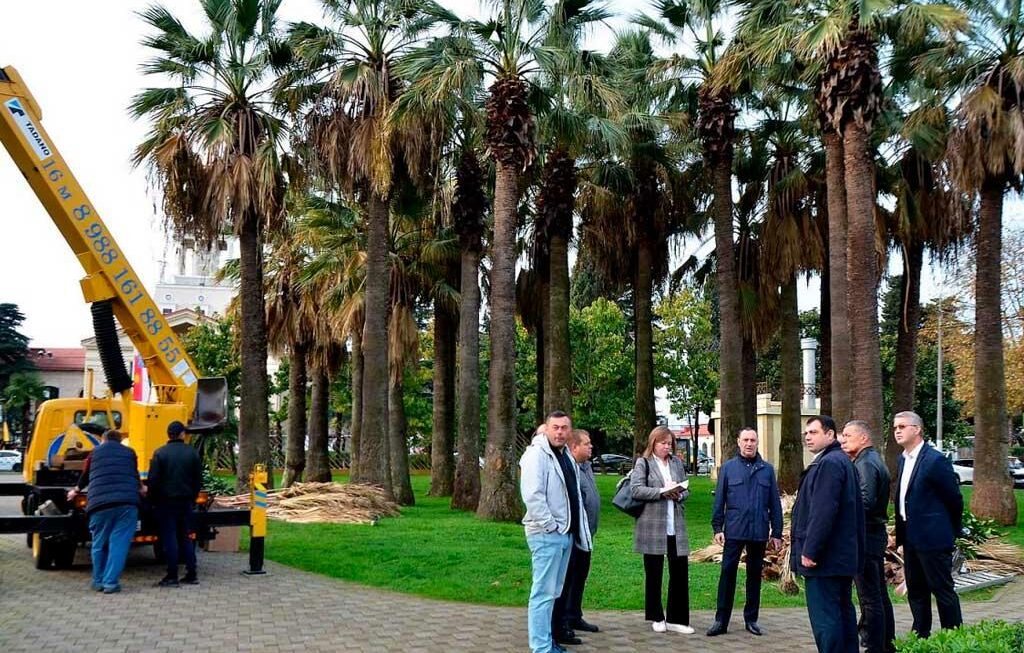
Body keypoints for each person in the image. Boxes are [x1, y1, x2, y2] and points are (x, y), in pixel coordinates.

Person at [790, 415, 864, 653]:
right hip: (838, 558)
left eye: (814, 432)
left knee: (827, 619)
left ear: (830, 434)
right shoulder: (839, 460)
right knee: (842, 613)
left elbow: (823, 510)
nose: (808, 437)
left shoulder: (829, 463)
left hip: (825, 560)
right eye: (806, 433)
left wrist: (810, 550)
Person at [520, 411, 592, 653]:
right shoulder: (536, 455)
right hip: (546, 534)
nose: (560, 432)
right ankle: (541, 647)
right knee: (542, 593)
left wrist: (570, 531)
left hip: (565, 535)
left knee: (554, 593)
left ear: (569, 431)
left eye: (564, 428)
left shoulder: (565, 456)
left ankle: (548, 641)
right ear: (547, 428)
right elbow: (533, 495)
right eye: (555, 427)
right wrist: (551, 525)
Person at [707, 427, 783, 637]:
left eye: (753, 440)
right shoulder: (728, 468)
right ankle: (721, 621)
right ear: (738, 442)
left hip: (758, 530)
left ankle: (751, 619)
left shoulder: (767, 470)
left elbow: (774, 503)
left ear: (757, 443)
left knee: (754, 576)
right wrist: (717, 527)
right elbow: (719, 500)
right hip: (734, 529)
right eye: (746, 440)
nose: (749, 444)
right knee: (727, 574)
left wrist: (777, 532)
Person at [893, 411, 963, 638]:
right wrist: (901, 538)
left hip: (933, 538)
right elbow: (903, 499)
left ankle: (953, 636)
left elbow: (954, 499)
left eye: (902, 426)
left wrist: (949, 531)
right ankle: (921, 635)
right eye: (895, 427)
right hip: (910, 537)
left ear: (917, 429)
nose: (897, 431)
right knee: (916, 590)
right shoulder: (903, 459)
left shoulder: (934, 460)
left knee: (942, 589)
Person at [630, 425, 694, 635]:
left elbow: (687, 489)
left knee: (680, 571)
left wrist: (679, 494)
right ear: (653, 443)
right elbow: (636, 490)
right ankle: (656, 616)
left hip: (675, 524)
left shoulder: (676, 463)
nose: (667, 447)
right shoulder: (644, 463)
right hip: (652, 525)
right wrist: (661, 492)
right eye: (663, 443)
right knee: (654, 572)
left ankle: (677, 619)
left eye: (669, 443)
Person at [838, 420, 896, 653]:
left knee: (870, 597)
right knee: (878, 594)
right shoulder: (870, 460)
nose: (843, 440)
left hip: (867, 536)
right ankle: (886, 642)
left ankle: (876, 645)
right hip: (873, 534)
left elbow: (865, 501)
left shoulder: (865, 463)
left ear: (864, 438)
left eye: (848, 435)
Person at [66, 429, 144, 594]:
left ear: (103, 439)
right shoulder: (129, 453)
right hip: (126, 504)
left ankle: (98, 581)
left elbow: (86, 475)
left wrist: (75, 490)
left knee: (99, 544)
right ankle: (110, 583)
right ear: (120, 441)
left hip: (99, 505)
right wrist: (142, 488)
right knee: (118, 544)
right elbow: (134, 474)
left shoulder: (95, 452)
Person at [552, 429, 600, 644]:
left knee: (580, 575)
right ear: (574, 447)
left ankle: (574, 614)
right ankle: (562, 622)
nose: (591, 447)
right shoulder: (570, 468)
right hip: (574, 533)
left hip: (588, 533)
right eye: (586, 444)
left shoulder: (586, 467)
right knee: (568, 578)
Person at [148, 420, 203, 587]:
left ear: (168, 434)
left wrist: (153, 500)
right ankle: (191, 573)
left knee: (170, 537)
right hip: (186, 501)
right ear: (182, 434)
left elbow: (153, 480)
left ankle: (172, 575)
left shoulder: (160, 453)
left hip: (166, 502)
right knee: (186, 536)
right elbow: (198, 480)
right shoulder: (192, 453)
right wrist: (193, 498)